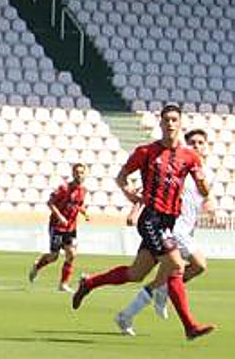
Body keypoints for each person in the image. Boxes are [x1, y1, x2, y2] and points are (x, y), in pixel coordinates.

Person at [70, 103, 214, 340]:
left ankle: (89, 283)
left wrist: (201, 183)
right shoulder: (146, 152)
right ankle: (189, 326)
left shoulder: (190, 157)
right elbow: (121, 177)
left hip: (168, 221)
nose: (170, 124)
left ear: (180, 123)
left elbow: (204, 191)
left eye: (174, 120)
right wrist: (131, 195)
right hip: (151, 219)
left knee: (136, 273)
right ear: (160, 123)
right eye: (166, 119)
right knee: (176, 266)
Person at [114, 127, 214, 335]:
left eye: (200, 143)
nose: (196, 146)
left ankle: (126, 315)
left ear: (207, 147)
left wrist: (209, 201)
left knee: (140, 274)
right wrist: (135, 209)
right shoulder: (180, 165)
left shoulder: (200, 171)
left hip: (179, 230)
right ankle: (186, 322)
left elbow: (203, 194)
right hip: (171, 229)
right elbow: (150, 191)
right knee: (196, 265)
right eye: (192, 142)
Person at [27, 162, 89, 291]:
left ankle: (63, 284)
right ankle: (37, 265)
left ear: (85, 174)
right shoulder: (64, 188)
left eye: (82, 172)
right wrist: (60, 217)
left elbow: (78, 205)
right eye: (77, 172)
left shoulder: (83, 190)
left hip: (71, 228)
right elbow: (50, 203)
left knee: (71, 254)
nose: (79, 175)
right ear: (73, 174)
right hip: (57, 227)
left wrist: (84, 212)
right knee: (54, 256)